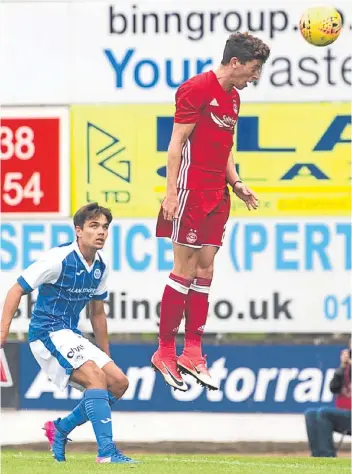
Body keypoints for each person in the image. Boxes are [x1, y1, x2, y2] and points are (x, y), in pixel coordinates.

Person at [152, 32, 271, 392]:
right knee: (183, 269)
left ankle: (192, 352)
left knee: (206, 269)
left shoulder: (234, 98)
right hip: (189, 193)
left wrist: (236, 183)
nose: (255, 77)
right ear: (235, 62)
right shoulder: (196, 88)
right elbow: (176, 146)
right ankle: (164, 351)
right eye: (253, 69)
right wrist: (171, 194)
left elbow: (225, 146)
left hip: (218, 195)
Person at [0, 203, 138, 464]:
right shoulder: (58, 258)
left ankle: (61, 428)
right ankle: (107, 453)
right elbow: (16, 289)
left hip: (71, 334)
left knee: (118, 382)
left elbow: (97, 313)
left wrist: (105, 355)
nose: (101, 232)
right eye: (94, 226)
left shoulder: (101, 267)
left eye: (105, 227)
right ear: (78, 230)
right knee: (95, 378)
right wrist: (3, 331)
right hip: (47, 333)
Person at [304, 345, 351, 457]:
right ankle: (317, 457)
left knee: (324, 413)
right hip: (346, 414)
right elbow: (333, 388)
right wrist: (342, 367)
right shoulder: (346, 370)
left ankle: (328, 457)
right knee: (310, 414)